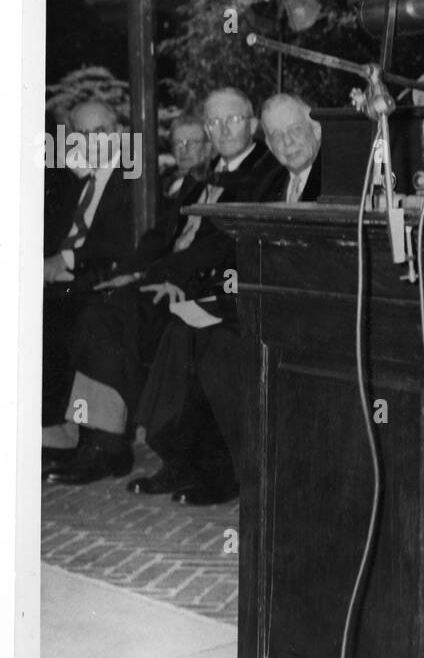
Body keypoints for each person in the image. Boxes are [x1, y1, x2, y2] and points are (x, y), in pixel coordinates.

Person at [44, 89, 283, 485]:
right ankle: (97, 440)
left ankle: (116, 446)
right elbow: (159, 235)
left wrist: (161, 276)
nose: (222, 130)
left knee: (113, 314)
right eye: (214, 122)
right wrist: (134, 271)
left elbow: (223, 242)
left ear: (254, 126)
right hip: (167, 280)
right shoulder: (201, 177)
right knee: (104, 310)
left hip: (207, 288)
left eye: (233, 120)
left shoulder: (264, 173)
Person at [128, 93, 322, 504]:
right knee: (183, 328)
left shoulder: (328, 179)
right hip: (258, 295)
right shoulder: (283, 179)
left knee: (215, 344)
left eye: (295, 131)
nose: (287, 143)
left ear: (316, 129)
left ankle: (229, 472)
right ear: (267, 142)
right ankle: (179, 459)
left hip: (304, 310)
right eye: (277, 136)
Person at [42, 100, 136, 451]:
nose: (91, 141)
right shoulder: (81, 185)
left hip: (101, 279)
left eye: (100, 132)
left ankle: (74, 433)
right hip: (69, 278)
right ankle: (48, 428)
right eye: (82, 134)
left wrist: (61, 260)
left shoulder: (132, 177)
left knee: (57, 312)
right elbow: (52, 234)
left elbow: (119, 240)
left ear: (119, 133)